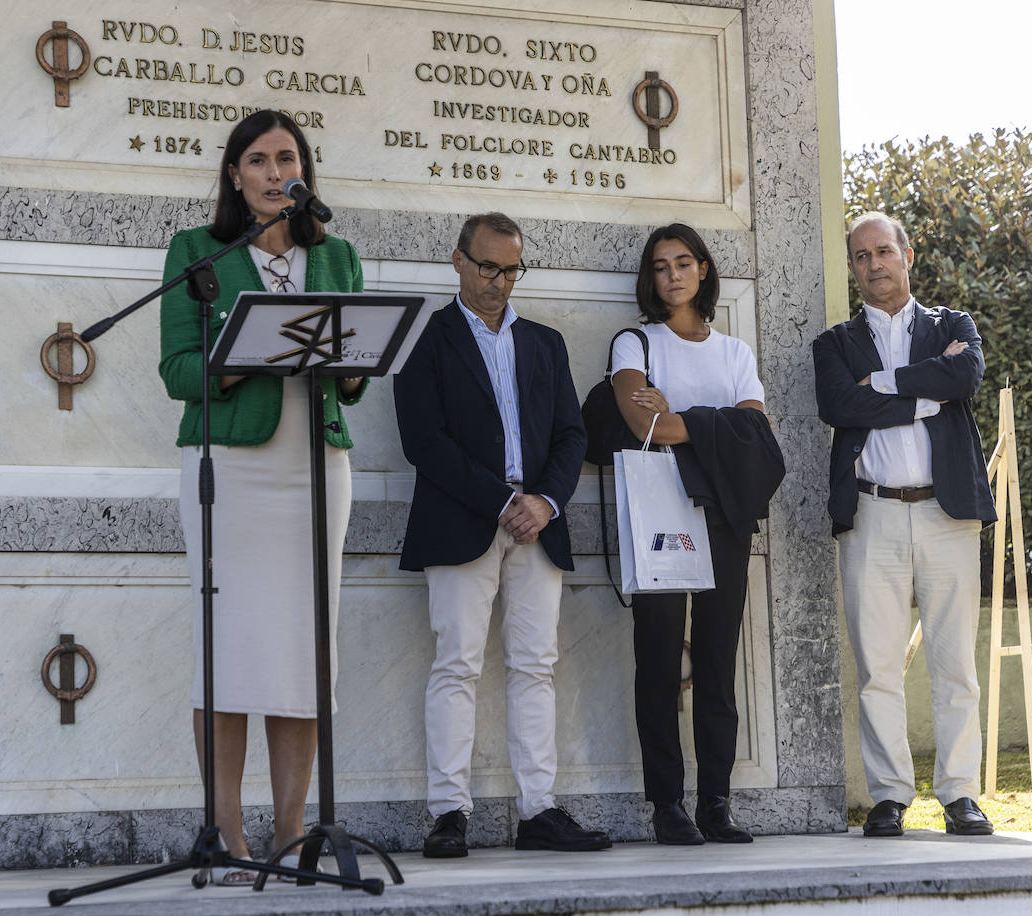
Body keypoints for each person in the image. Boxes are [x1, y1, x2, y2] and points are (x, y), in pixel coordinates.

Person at [157, 110, 367, 885]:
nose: (276, 170)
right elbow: (179, 372)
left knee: (302, 657)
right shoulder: (197, 251)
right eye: (259, 160)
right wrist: (249, 351)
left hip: (315, 470)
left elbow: (353, 373)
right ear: (236, 178)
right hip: (231, 472)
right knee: (228, 654)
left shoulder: (337, 253)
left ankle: (289, 835)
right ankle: (226, 833)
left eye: (288, 157)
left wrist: (353, 362)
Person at [394, 212, 610, 857]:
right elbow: (423, 442)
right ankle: (449, 813)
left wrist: (543, 501)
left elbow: (572, 434)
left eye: (511, 268)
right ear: (457, 260)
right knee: (456, 663)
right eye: (487, 266)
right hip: (463, 520)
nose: (499, 281)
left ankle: (539, 811)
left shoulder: (544, 342)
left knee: (535, 666)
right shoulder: (423, 339)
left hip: (538, 525)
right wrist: (500, 500)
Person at [812, 211, 998, 838]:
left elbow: (965, 375)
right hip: (872, 513)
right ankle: (889, 794)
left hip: (947, 514)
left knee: (954, 664)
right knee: (878, 667)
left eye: (883, 251)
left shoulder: (954, 326)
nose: (873, 264)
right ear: (852, 267)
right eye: (860, 256)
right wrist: (928, 394)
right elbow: (839, 403)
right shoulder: (835, 344)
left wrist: (887, 384)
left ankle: (959, 794)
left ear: (907, 256)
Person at [609, 223, 774, 845]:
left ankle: (716, 803)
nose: (672, 274)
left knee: (716, 662)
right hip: (659, 515)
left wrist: (685, 418)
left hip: (724, 518)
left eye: (683, 262)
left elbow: (754, 431)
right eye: (660, 266)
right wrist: (717, 425)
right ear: (650, 278)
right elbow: (641, 421)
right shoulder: (636, 343)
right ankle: (667, 806)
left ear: (704, 270)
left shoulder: (734, 353)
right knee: (655, 660)